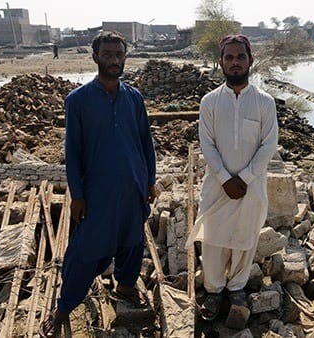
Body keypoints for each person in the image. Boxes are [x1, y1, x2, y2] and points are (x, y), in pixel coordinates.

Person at [39, 31, 158, 337]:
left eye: (118, 54)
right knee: (86, 251)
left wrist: (150, 181)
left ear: (125, 57)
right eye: (107, 54)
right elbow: (73, 152)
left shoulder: (135, 98)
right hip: (98, 193)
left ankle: (127, 286)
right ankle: (64, 306)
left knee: (133, 243)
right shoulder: (77, 101)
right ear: (95, 57)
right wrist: (77, 195)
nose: (114, 60)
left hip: (132, 188)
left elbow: (146, 143)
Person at [186, 34, 278, 323]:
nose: (235, 62)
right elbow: (207, 143)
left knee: (245, 237)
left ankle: (237, 287)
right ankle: (214, 290)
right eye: (229, 57)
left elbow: (269, 144)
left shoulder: (264, 102)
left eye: (240, 57)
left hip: (252, 186)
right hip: (217, 186)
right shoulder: (210, 101)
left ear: (250, 60)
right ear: (220, 62)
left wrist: (246, 177)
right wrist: (225, 178)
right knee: (213, 240)